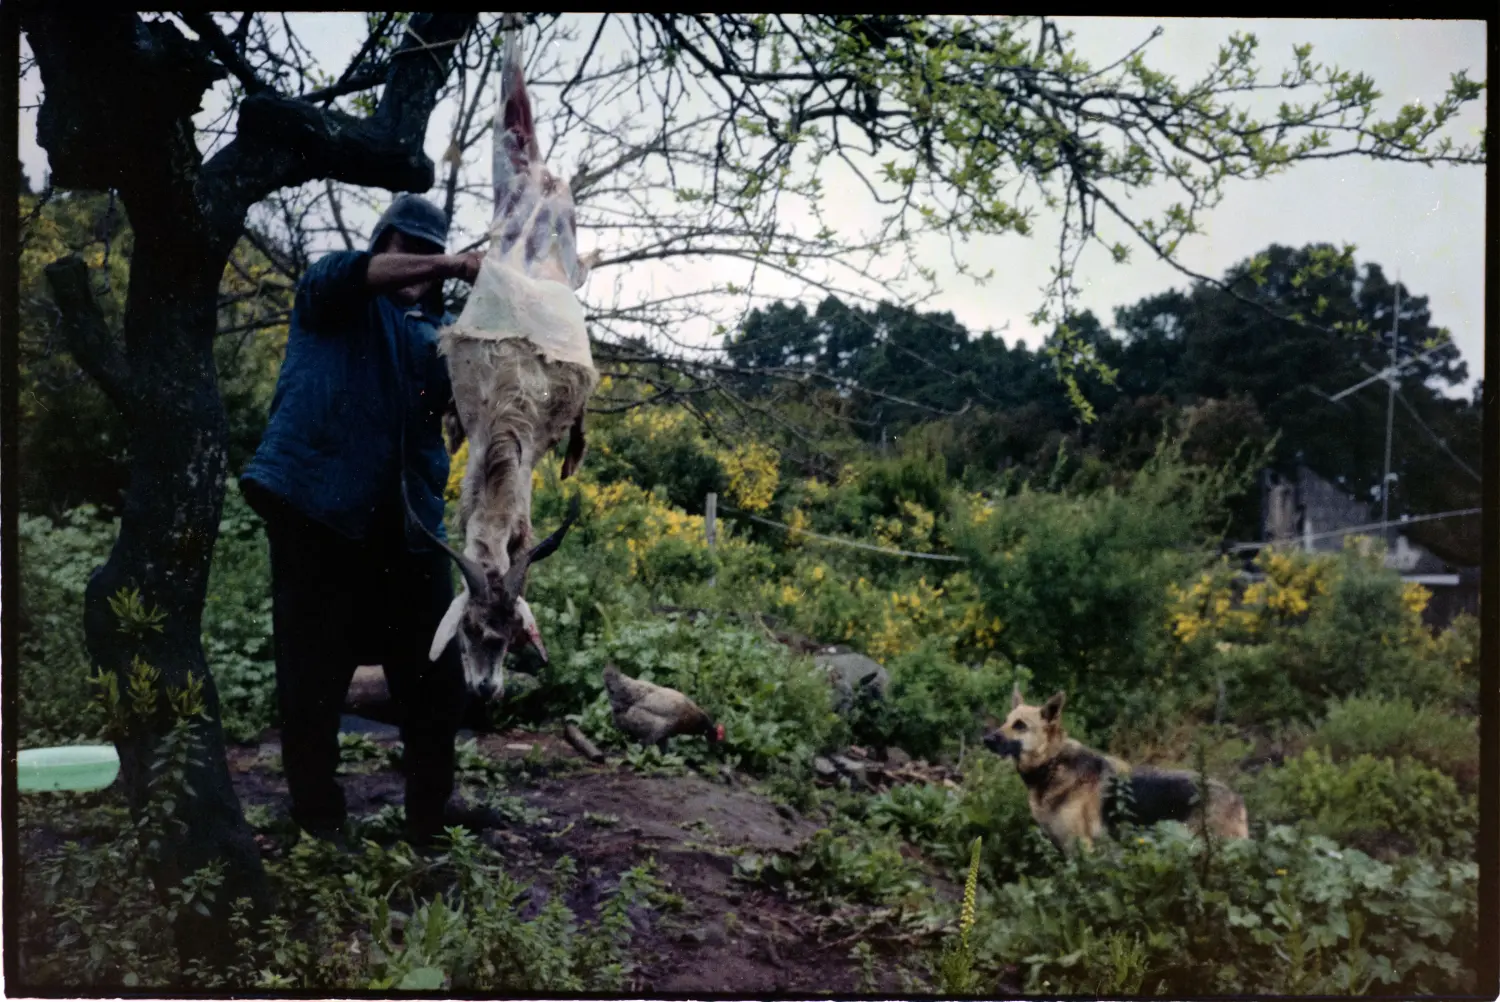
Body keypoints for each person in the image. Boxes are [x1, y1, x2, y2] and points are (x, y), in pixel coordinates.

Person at [241, 193, 493, 848]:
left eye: (427, 253)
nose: (417, 266)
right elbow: (353, 275)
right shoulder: (332, 289)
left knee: (438, 681)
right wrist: (456, 264)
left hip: (405, 531)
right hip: (317, 513)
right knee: (312, 679)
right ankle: (319, 826)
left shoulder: (433, 337)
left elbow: (468, 398)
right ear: (381, 246)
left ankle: (429, 825)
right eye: (405, 248)